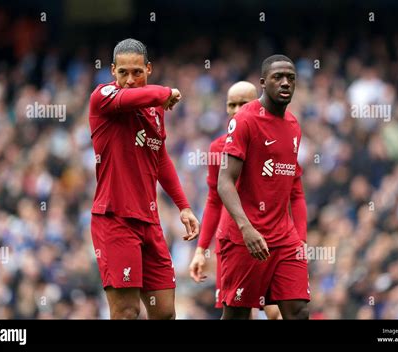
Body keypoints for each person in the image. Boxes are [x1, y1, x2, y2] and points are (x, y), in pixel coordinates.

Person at [88, 38, 200, 319]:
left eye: (137, 72)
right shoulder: (103, 98)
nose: (129, 80)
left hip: (149, 222)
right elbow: (132, 96)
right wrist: (166, 91)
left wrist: (184, 206)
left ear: (148, 69)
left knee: (164, 313)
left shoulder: (155, 108)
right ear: (112, 71)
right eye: (122, 72)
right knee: (126, 312)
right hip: (115, 220)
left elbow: (159, 157)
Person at [217, 55, 310, 319]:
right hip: (245, 238)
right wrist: (246, 228)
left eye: (291, 78)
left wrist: (300, 238)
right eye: (277, 77)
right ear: (262, 83)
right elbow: (224, 182)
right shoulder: (246, 119)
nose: (285, 83)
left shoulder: (293, 125)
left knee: (299, 311)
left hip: (284, 238)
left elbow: (295, 188)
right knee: (237, 314)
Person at [189, 81, 282, 319]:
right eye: (232, 104)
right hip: (231, 242)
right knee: (240, 313)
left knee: (277, 310)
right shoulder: (218, 148)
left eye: (244, 103)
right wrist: (201, 249)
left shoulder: (276, 142)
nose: (237, 109)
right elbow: (214, 200)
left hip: (269, 236)